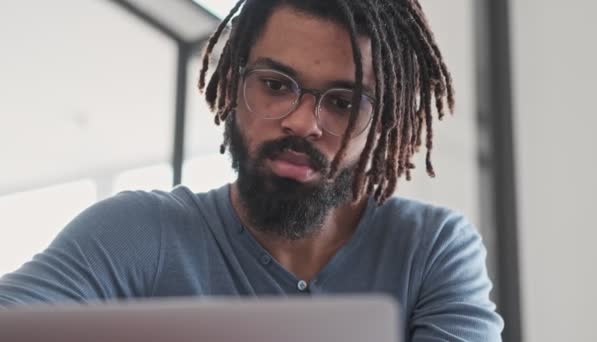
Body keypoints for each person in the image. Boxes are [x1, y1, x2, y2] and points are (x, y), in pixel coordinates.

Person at [0, 0, 504, 340]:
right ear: (233, 84)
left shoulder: (432, 248)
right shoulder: (137, 233)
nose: (303, 122)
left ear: (383, 123)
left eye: (344, 101)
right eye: (277, 84)